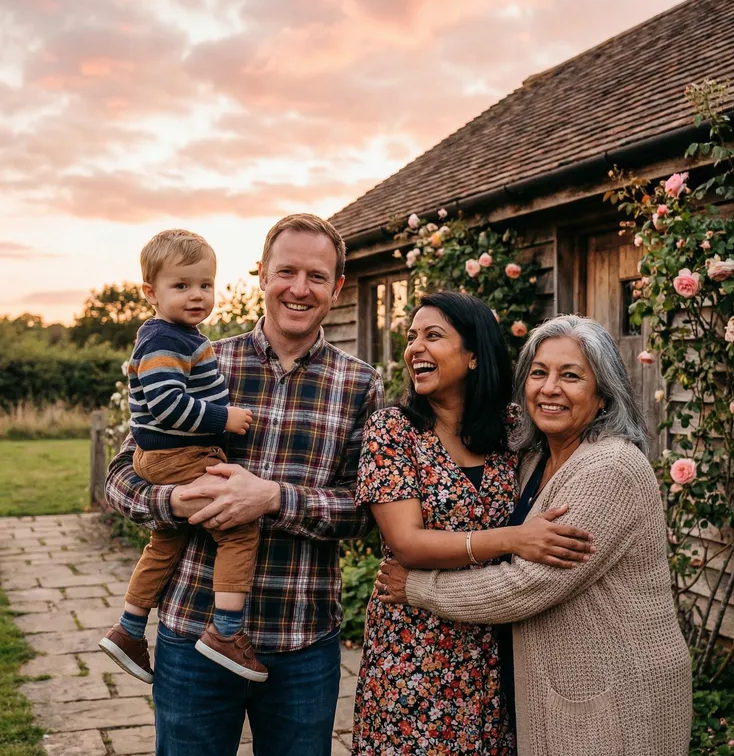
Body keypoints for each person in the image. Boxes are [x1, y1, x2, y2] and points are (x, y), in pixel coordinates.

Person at [105, 213, 383, 756]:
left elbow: (366, 510)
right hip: (191, 632)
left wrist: (275, 498)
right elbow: (122, 473)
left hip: (301, 639)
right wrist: (174, 501)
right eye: (286, 271)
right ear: (260, 275)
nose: (299, 289)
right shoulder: (201, 357)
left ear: (337, 287)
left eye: (317, 276)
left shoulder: (361, 384)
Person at [377, 314, 693, 756]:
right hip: (563, 684)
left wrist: (417, 586)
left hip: (618, 688)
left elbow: (527, 585)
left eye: (571, 376)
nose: (549, 388)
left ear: (603, 394)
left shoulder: (610, 468)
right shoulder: (532, 458)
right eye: (539, 373)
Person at [352, 293, 596, 756]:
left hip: (498, 641)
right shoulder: (393, 430)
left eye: (433, 336)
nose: (415, 348)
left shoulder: (513, 430)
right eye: (411, 338)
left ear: (473, 355)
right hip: (415, 648)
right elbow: (406, 543)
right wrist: (514, 539)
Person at [99, 229, 266, 685]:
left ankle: (130, 629)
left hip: (169, 456)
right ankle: (226, 632)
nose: (197, 295)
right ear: (151, 293)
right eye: (182, 286)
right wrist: (224, 418)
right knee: (239, 527)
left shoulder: (180, 336)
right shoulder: (164, 341)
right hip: (179, 454)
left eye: (205, 285)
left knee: (165, 541)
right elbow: (167, 405)